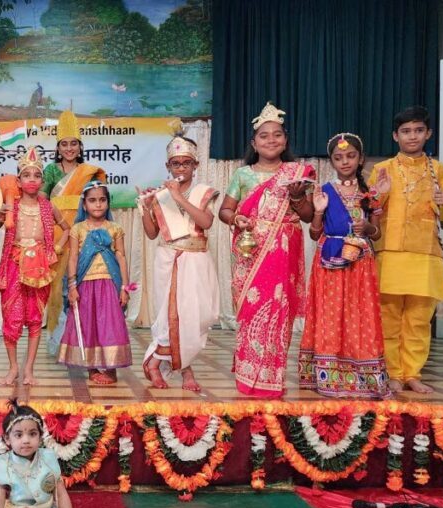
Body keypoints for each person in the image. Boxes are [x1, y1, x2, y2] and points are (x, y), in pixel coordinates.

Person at [218, 102, 316, 398]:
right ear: (254, 143)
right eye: (264, 136)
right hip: (250, 250)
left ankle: (272, 378)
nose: (271, 140)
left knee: (278, 312)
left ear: (285, 139)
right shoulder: (243, 175)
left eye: (276, 135)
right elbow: (225, 211)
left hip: (283, 251)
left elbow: (310, 215)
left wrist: (298, 198)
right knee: (251, 311)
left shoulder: (297, 173)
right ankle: (248, 376)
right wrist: (238, 220)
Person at [367, 106, 443, 394]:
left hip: (426, 254)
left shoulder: (439, 170)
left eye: (418, 130)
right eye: (406, 131)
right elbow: (370, 211)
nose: (412, 136)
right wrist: (379, 194)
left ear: (428, 133)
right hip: (390, 253)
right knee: (389, 317)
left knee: (419, 319)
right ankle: (393, 373)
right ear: (396, 136)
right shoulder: (382, 170)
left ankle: (412, 373)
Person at [298, 133, 390, 399]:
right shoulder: (324, 191)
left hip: (361, 262)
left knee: (360, 315)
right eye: (338, 158)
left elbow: (377, 233)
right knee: (330, 314)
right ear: (332, 161)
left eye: (350, 156)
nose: (345, 162)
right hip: (329, 262)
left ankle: (363, 377)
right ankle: (328, 375)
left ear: (360, 159)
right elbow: (315, 234)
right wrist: (317, 211)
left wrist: (368, 227)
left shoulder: (369, 193)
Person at [139, 129, 220, 391]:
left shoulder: (203, 192)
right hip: (169, 259)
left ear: (195, 165)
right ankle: (174, 369)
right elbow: (152, 234)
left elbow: (206, 222)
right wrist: (145, 207)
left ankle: (171, 364)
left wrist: (178, 197)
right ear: (168, 166)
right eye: (176, 163)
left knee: (200, 317)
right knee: (172, 317)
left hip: (197, 260)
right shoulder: (160, 196)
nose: (181, 167)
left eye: (186, 162)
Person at [0, 147, 70, 387]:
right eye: (26, 175)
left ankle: (29, 370)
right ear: (19, 181)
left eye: (36, 175)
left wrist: (55, 250)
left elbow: (68, 229)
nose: (32, 179)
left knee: (34, 319)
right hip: (13, 265)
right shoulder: (10, 206)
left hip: (40, 268)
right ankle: (13, 368)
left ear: (42, 181)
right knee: (11, 317)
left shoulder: (48, 206)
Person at [43, 110, 106, 354]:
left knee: (81, 285)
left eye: (73, 144)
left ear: (80, 147)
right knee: (57, 288)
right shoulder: (50, 171)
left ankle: (82, 338)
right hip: (57, 234)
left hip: (83, 232)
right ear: (58, 147)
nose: (69, 148)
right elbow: (42, 202)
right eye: (64, 144)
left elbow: (97, 202)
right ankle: (56, 340)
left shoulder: (88, 172)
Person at [59, 180, 132, 383]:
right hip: (85, 285)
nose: (97, 205)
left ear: (108, 203)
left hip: (109, 284)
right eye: (92, 201)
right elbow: (73, 258)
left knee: (110, 324)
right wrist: (72, 287)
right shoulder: (78, 229)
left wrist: (124, 287)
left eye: (102, 200)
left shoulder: (115, 228)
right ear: (84, 205)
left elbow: (121, 257)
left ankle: (111, 366)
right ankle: (91, 368)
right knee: (88, 324)